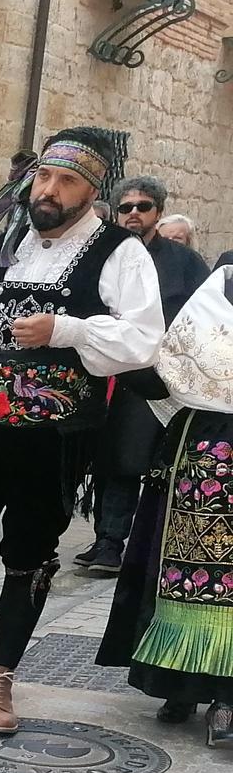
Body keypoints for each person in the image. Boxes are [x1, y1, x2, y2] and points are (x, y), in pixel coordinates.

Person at [0, 127, 163, 733]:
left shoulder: (119, 251)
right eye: (45, 177)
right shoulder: (1, 247)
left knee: (27, 556)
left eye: (68, 181)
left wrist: (69, 330)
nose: (50, 191)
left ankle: (0, 679)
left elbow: (141, 339)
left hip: (56, 436)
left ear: (92, 191)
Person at [96, 265, 233, 747]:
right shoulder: (217, 289)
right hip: (198, 447)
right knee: (179, 570)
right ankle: (178, 681)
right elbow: (175, 370)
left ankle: (226, 695)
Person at [79, 176, 209, 575]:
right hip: (102, 372)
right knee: (104, 457)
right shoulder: (100, 254)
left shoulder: (183, 261)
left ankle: (124, 544)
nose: (134, 213)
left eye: (144, 206)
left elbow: (204, 314)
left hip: (156, 377)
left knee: (133, 458)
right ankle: (105, 540)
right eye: (126, 207)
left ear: (159, 212)